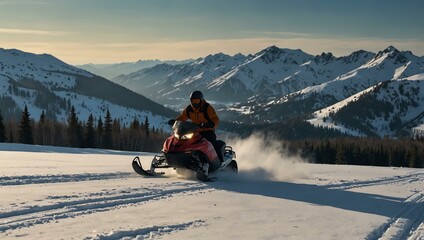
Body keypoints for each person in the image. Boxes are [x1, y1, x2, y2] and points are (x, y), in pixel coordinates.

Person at [168, 90, 223, 161]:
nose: (194, 103)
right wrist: (175, 121)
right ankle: (179, 158)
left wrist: (211, 124)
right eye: (192, 101)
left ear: (201, 100)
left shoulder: (207, 108)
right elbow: (182, 117)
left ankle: (220, 161)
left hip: (207, 131)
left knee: (212, 143)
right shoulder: (189, 109)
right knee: (182, 142)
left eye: (196, 101)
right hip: (195, 131)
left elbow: (215, 119)